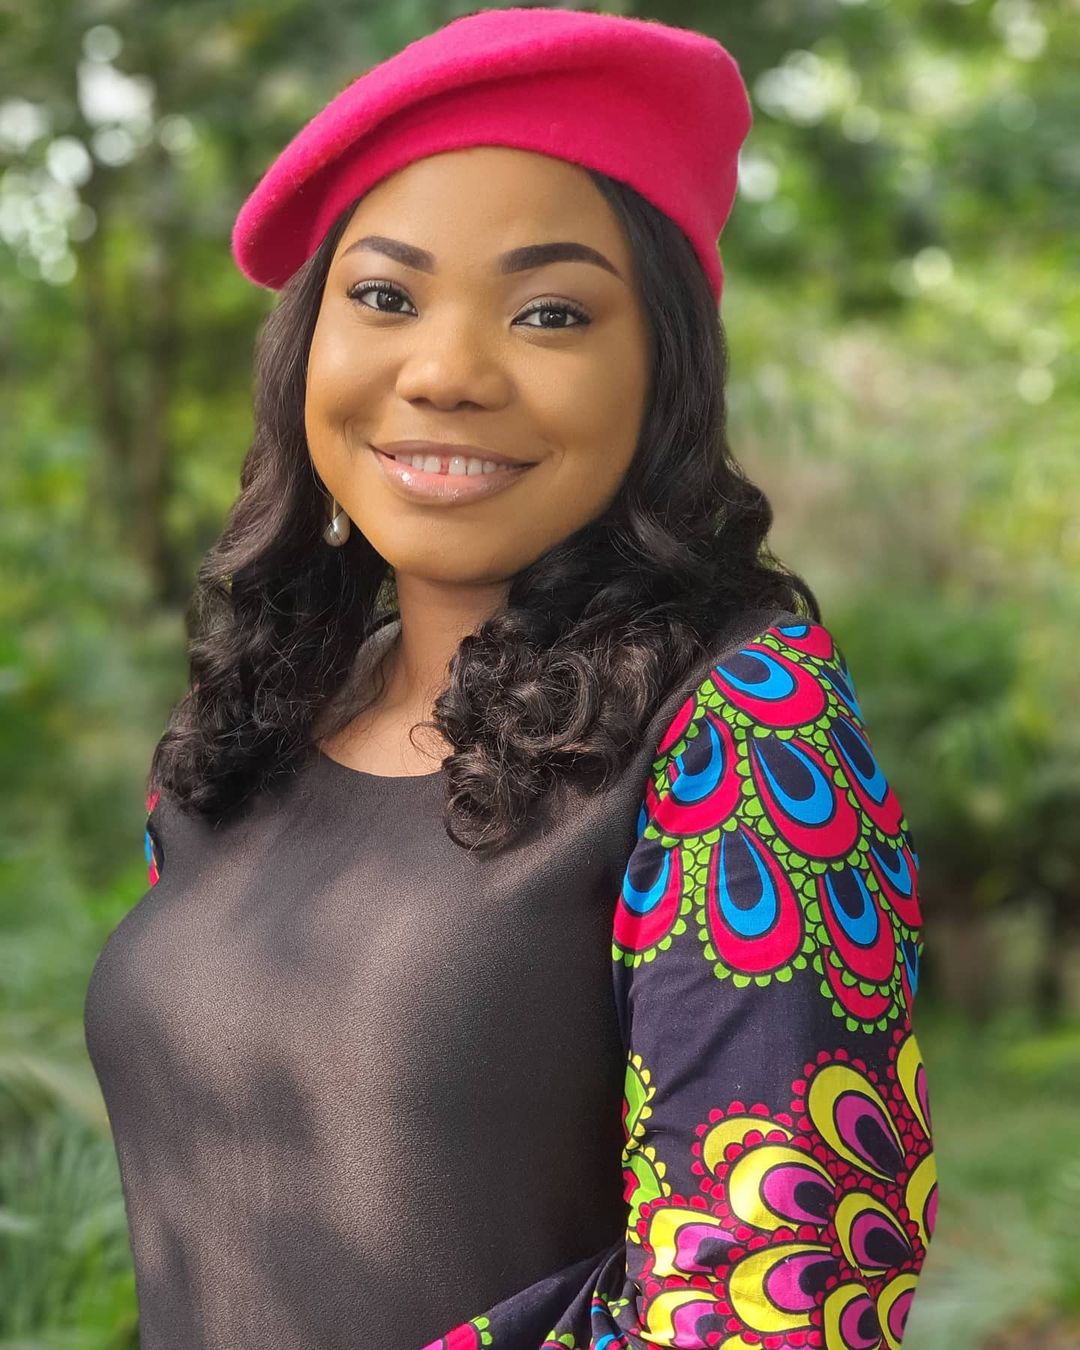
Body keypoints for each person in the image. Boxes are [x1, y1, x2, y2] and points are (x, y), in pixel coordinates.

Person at [84, 8, 938, 1348]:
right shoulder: (245, 727)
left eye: (550, 312)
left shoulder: (741, 730)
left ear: (661, 372)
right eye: (385, 297)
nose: (446, 373)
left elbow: (781, 1298)